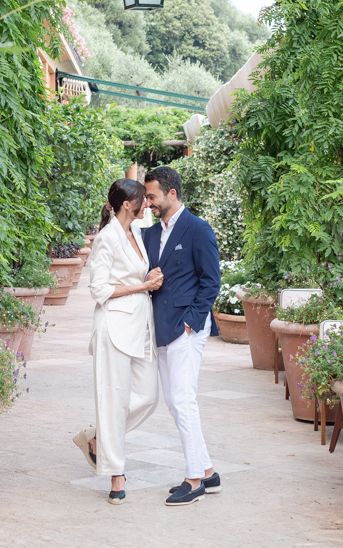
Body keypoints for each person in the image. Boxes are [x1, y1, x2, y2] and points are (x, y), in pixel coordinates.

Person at [72, 179, 164, 505]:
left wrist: (152, 278)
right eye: (143, 200)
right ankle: (116, 473)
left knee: (148, 396)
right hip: (113, 326)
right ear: (128, 204)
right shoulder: (107, 237)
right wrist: (144, 286)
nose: (148, 205)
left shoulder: (137, 233)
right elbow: (98, 290)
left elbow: (139, 274)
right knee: (113, 400)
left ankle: (98, 439)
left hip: (140, 325)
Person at [142, 166, 222, 506]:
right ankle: (206, 471)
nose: (148, 203)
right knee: (176, 402)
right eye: (146, 197)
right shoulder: (149, 233)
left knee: (183, 400)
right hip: (161, 326)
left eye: (152, 196)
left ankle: (193, 480)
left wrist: (192, 321)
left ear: (172, 194)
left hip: (186, 328)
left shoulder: (197, 229)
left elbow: (211, 281)